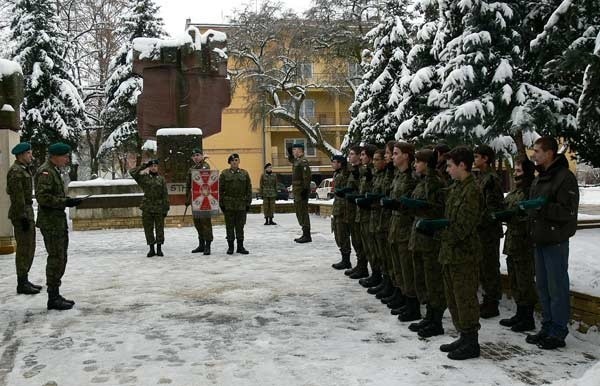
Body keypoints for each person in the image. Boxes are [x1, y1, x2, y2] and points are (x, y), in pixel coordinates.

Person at [418, 146, 482, 360]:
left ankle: (472, 341)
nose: (447, 170)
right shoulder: (456, 188)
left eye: (450, 166)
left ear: (462, 165)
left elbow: (463, 227)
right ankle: (463, 335)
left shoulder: (472, 190)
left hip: (464, 254)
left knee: (465, 298)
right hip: (450, 253)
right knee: (454, 298)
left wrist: (437, 231)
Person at [523, 137, 579, 350]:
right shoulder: (540, 178)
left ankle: (558, 330)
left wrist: (541, 208)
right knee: (543, 287)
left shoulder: (565, 178)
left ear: (549, 153)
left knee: (557, 288)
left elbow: (568, 211)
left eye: (537, 151)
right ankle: (547, 326)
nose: (533, 155)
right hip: (539, 239)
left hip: (555, 241)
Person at [36, 142, 84, 310]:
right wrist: (66, 202)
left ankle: (55, 293)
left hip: (56, 221)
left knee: (60, 257)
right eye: (64, 156)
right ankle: (53, 297)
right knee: (56, 258)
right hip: (50, 223)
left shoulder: (54, 171)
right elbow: (43, 198)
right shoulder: (46, 172)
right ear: (55, 156)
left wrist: (67, 202)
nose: (66, 159)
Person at [405, 149, 447, 337]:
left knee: (433, 281)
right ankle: (429, 316)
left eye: (418, 162)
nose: (415, 165)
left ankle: (435, 320)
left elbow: (439, 209)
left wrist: (421, 206)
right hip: (419, 236)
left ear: (426, 163)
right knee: (423, 279)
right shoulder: (422, 182)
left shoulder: (435, 183)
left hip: (430, 239)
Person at [494, 157, 538, 332]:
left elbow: (530, 215)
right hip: (513, 240)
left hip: (524, 243)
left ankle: (527, 318)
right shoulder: (516, 191)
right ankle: (520, 313)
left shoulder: (530, 191)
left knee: (525, 280)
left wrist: (515, 214)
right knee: (515, 280)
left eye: (519, 171)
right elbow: (507, 207)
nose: (515, 174)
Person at [473, 144, 504, 318]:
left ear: (486, 159)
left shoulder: (492, 179)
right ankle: (487, 298)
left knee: (490, 266)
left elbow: (492, 207)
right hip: (481, 229)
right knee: (483, 266)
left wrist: (479, 219)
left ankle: (492, 302)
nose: (474, 160)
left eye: (477, 157)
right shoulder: (481, 177)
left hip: (489, 231)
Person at [6, 142, 41, 295]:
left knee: (30, 247)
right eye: (28, 154)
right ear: (20, 155)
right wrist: (22, 217)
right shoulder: (16, 172)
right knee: (24, 249)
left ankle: (25, 279)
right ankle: (22, 282)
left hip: (26, 210)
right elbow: (17, 197)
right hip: (22, 213)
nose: (31, 156)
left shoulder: (23, 170)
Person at [130, 159, 170, 258]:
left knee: (159, 229)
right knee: (148, 229)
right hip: (147, 207)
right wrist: (144, 165)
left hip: (159, 207)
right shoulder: (144, 178)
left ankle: (159, 248)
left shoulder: (161, 179)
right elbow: (132, 172)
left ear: (158, 167)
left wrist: (166, 208)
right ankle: (151, 249)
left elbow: (165, 195)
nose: (153, 167)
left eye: (155, 166)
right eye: (151, 166)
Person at [219, 153, 252, 255]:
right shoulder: (224, 174)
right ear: (229, 162)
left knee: (240, 226)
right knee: (229, 226)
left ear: (239, 161)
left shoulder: (244, 173)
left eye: (236, 160)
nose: (234, 162)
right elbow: (220, 189)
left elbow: (248, 189)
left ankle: (240, 246)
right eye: (232, 161)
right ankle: (230, 247)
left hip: (241, 204)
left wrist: (248, 203)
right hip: (229, 204)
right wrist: (222, 203)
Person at [185, 148, 213, 255]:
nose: (196, 157)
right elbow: (188, 185)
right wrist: (187, 199)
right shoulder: (191, 169)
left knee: (205, 222)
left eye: (198, 155)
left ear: (201, 156)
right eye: (194, 156)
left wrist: (202, 162)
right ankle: (201, 244)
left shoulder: (205, 166)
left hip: (205, 199)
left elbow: (206, 177)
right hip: (195, 199)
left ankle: (208, 245)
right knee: (198, 223)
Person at [330, 155, 352, 269]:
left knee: (343, 234)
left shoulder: (346, 173)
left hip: (344, 208)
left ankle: (346, 260)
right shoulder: (337, 173)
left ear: (340, 163)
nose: (332, 164)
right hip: (338, 207)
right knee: (338, 234)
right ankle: (344, 258)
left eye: (334, 162)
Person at [288, 143, 312, 243]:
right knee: (299, 212)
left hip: (301, 191)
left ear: (300, 150)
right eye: (293, 150)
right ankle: (304, 233)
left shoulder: (303, 162)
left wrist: (305, 190)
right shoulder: (297, 161)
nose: (293, 152)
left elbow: (306, 177)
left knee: (303, 212)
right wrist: (289, 153)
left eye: (294, 150)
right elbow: (291, 160)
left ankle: (307, 235)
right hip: (297, 191)